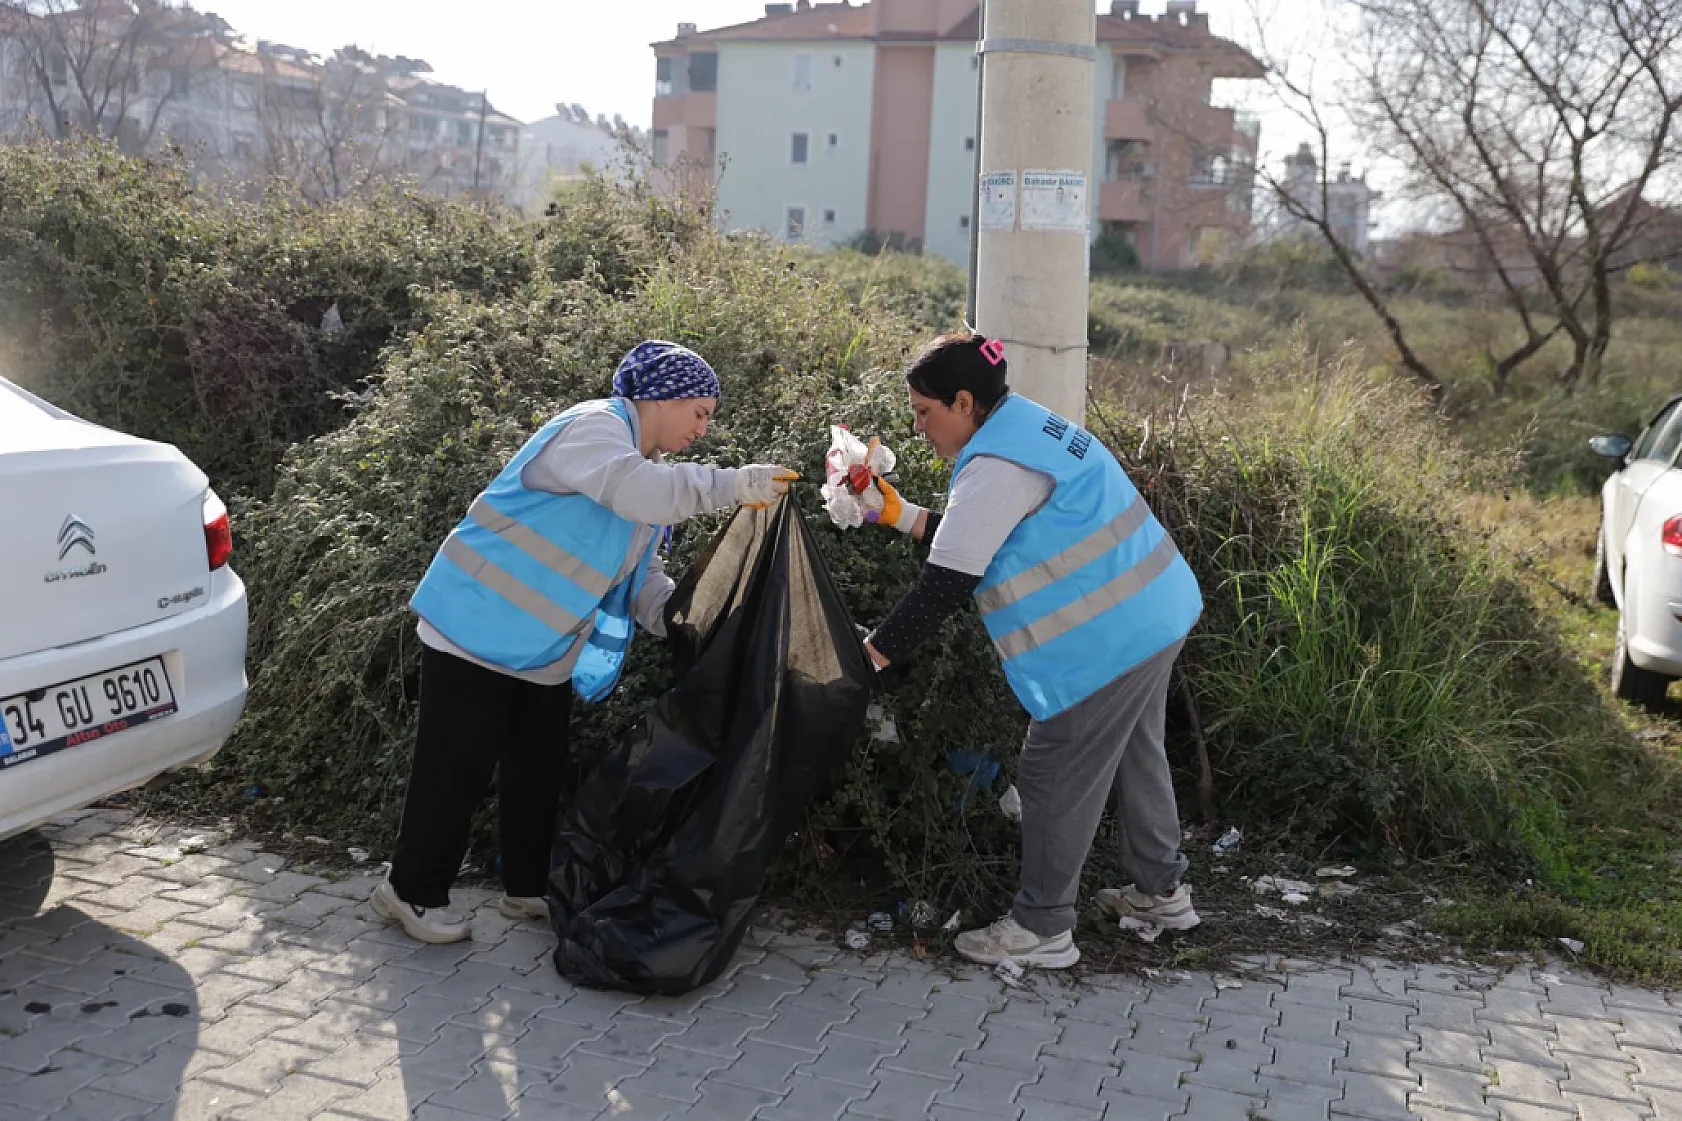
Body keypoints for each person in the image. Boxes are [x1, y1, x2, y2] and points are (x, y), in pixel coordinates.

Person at [370, 340, 797, 944]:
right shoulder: (593, 431)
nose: (704, 428)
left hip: (540, 648)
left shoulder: (641, 471)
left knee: (537, 771)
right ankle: (409, 891)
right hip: (473, 626)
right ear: (659, 398)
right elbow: (640, 491)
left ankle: (527, 887)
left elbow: (640, 576)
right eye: (699, 412)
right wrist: (736, 485)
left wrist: (686, 620)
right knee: (453, 769)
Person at [855, 332, 1203, 968]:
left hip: (1109, 640)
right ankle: (1161, 892)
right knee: (1134, 749)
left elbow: (946, 583)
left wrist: (871, 655)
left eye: (924, 412)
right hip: (1156, 607)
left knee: (1050, 772)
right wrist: (900, 515)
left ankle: (1042, 927)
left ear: (963, 403)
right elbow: (986, 537)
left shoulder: (994, 466)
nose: (918, 426)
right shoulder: (1024, 427)